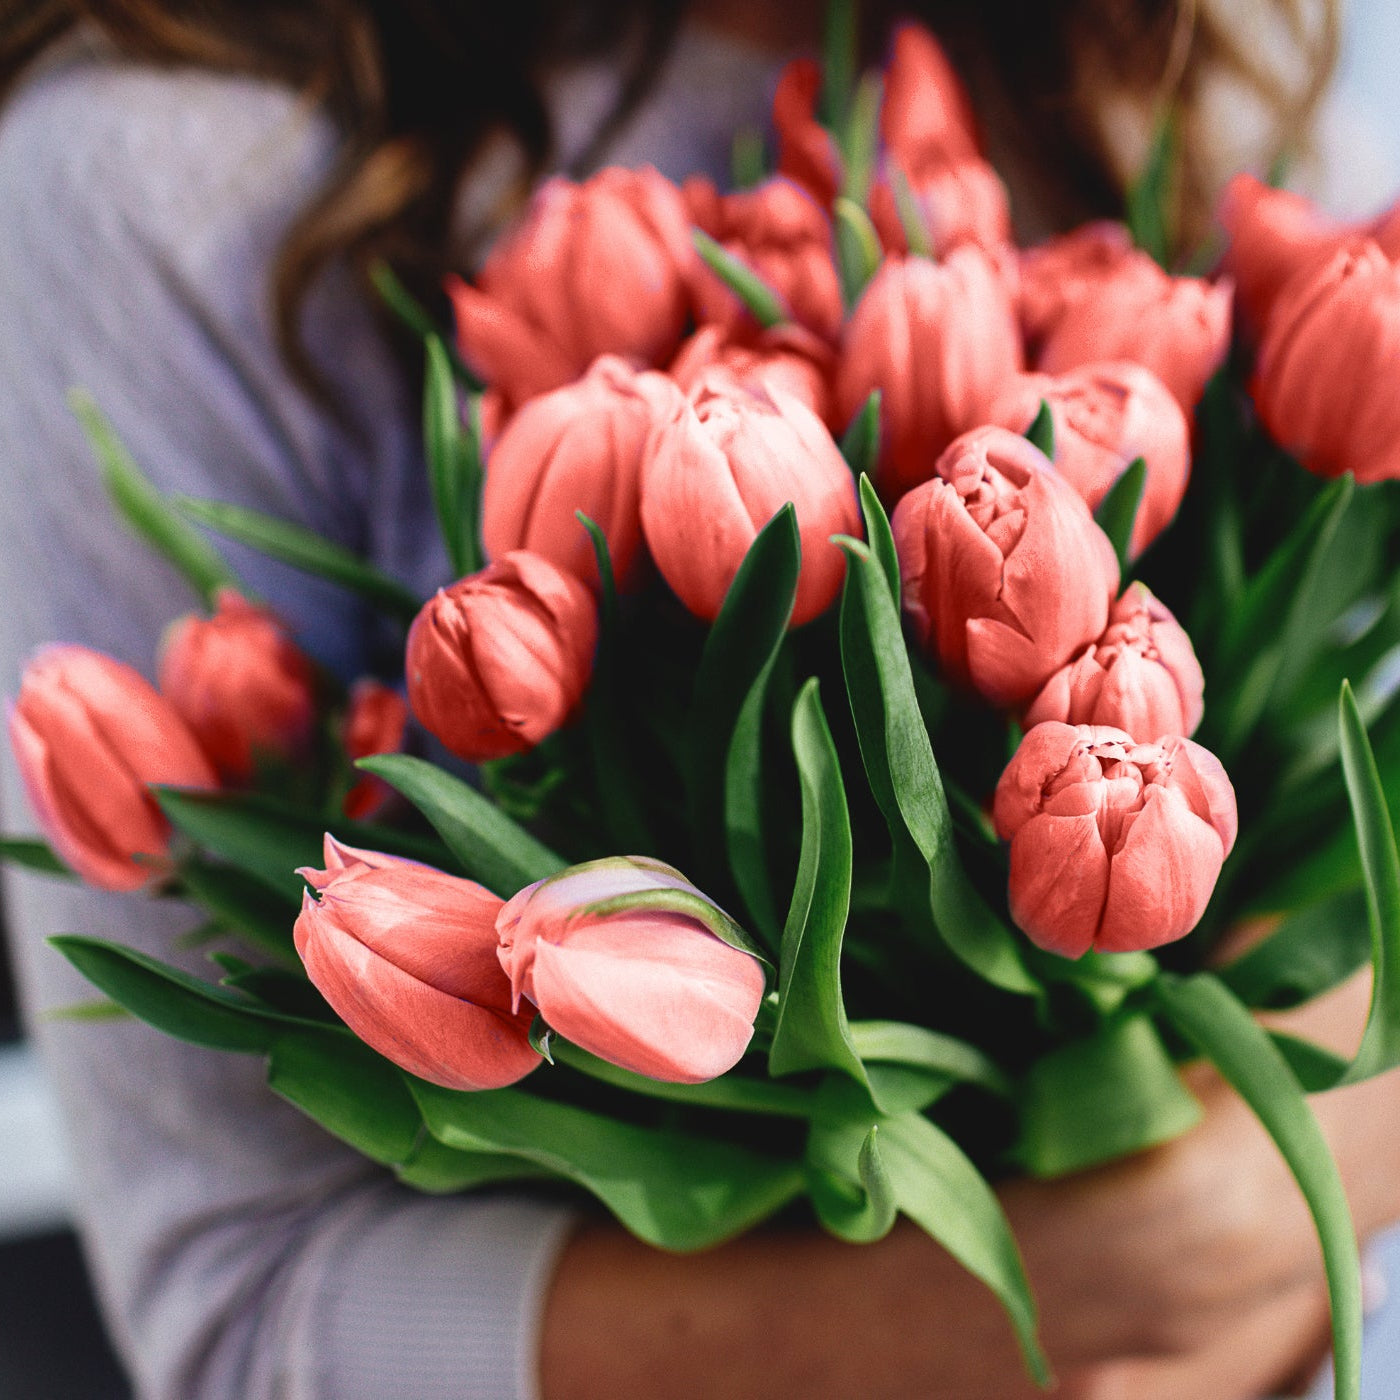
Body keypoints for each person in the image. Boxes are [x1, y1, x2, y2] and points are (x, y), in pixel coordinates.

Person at [0, 2, 1396, 1397]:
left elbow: (1327, 929)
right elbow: (241, 1306)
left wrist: (1275, 1191)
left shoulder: (1133, 50)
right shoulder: (161, 172)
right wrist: (1023, 1312)